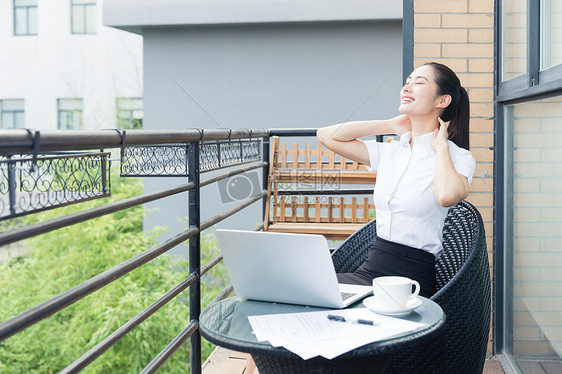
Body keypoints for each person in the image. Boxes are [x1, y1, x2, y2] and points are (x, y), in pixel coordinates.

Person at [316, 62, 476, 298]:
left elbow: (446, 196)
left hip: (410, 283)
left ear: (442, 101)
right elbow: (326, 135)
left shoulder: (458, 157)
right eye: (407, 82)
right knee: (300, 289)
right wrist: (389, 125)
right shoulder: (393, 151)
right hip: (370, 272)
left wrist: (441, 146)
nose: (407, 88)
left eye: (419, 83)